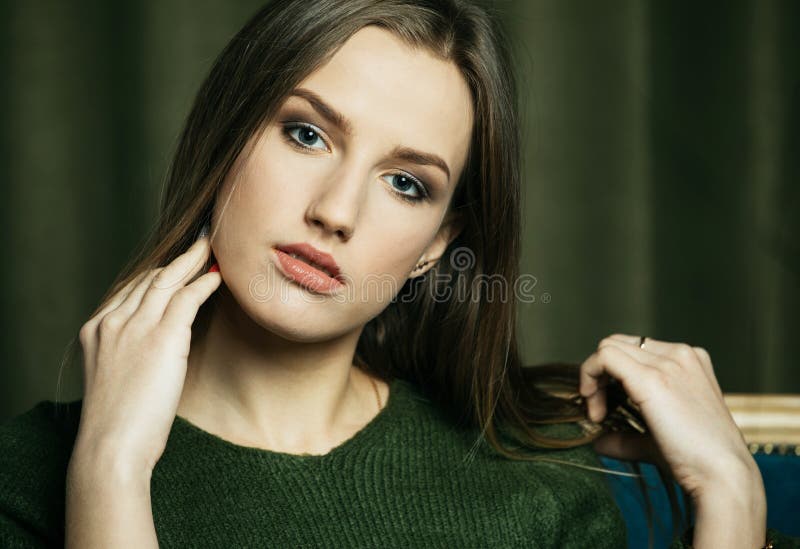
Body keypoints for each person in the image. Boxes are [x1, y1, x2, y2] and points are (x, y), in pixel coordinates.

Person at [0, 0, 796, 547]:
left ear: (434, 245)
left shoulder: (531, 497)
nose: (336, 210)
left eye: (406, 182)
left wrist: (731, 492)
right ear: (229, 132)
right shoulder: (29, 477)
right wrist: (108, 468)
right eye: (307, 134)